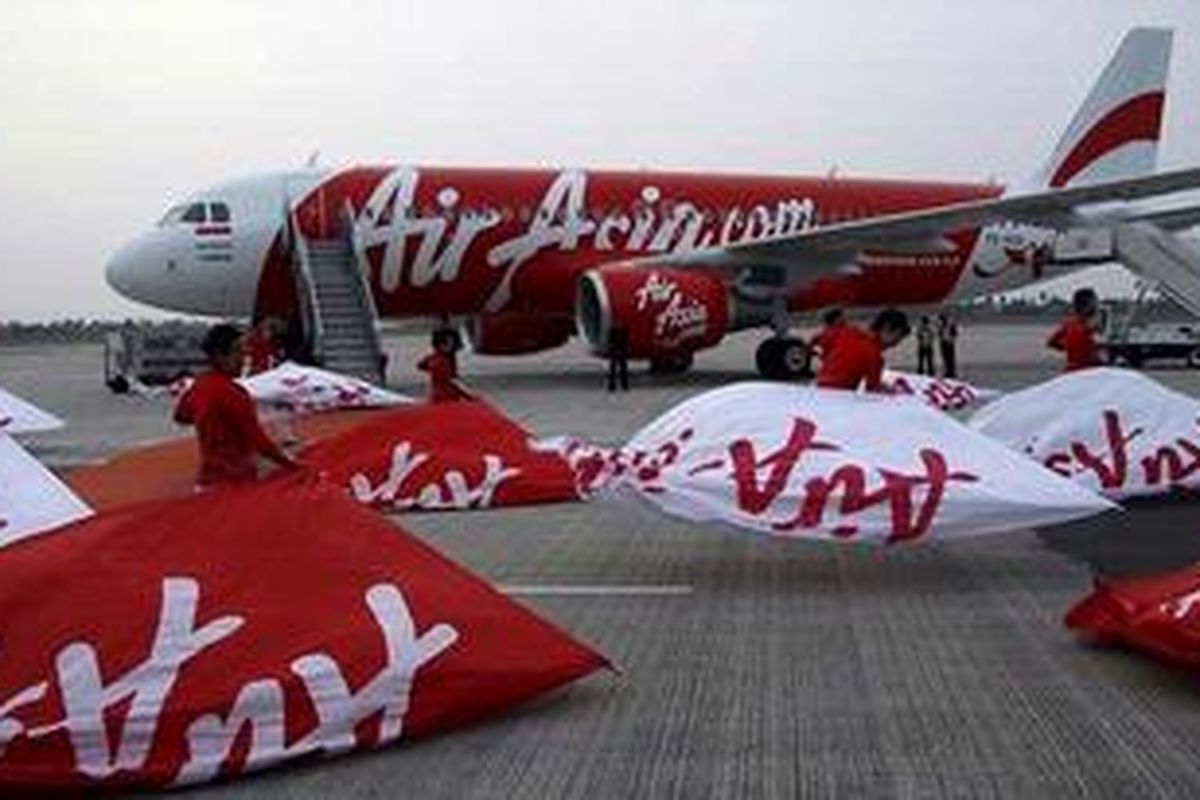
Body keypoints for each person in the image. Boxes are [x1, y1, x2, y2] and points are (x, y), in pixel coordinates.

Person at [174, 323, 302, 490]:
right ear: (220, 356)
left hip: (207, 483)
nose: (244, 359)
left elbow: (181, 416)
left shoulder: (198, 386)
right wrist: (292, 464)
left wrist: (209, 420)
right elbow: (259, 441)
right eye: (238, 352)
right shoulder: (234, 393)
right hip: (237, 484)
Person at [816, 308, 911, 392]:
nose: (896, 344)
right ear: (886, 328)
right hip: (839, 399)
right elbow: (872, 390)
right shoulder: (874, 355)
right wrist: (890, 390)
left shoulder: (849, 331)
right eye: (897, 337)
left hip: (819, 390)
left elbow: (823, 346)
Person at [1048, 287, 1102, 372]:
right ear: (1087, 305)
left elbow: (1051, 342)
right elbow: (1091, 352)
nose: (1096, 306)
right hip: (1086, 371)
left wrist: (1068, 347)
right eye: (1094, 303)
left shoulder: (1068, 324)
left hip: (1071, 369)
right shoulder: (1087, 327)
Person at [418, 328, 472, 403]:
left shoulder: (438, 356)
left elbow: (421, 365)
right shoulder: (442, 359)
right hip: (445, 397)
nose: (451, 346)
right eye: (448, 344)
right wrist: (468, 396)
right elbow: (451, 380)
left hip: (440, 394)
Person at [607, 326, 630, 392]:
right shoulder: (615, 331)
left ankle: (621, 385)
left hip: (619, 351)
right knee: (616, 369)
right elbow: (611, 342)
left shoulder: (618, 331)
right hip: (617, 351)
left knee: (619, 369)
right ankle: (617, 385)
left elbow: (626, 342)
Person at [936, 312, 959, 378]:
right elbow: (939, 334)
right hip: (944, 343)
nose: (939, 321)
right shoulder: (941, 326)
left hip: (950, 343)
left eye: (940, 320)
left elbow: (955, 333)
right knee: (945, 358)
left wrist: (952, 340)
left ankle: (951, 372)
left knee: (950, 358)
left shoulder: (950, 325)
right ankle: (947, 371)